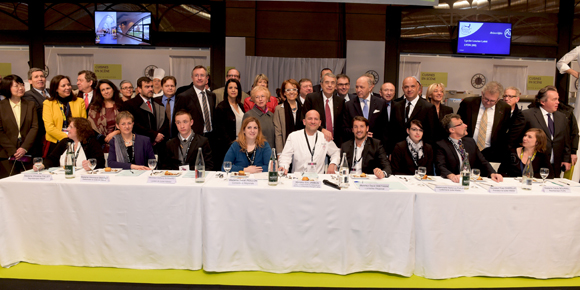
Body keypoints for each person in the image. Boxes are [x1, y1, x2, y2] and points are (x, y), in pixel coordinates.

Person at [510, 85, 572, 176]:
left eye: (558, 99)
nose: (558, 102)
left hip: (555, 165)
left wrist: (566, 159)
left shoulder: (562, 117)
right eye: (554, 99)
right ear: (542, 101)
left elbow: (566, 139)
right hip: (533, 165)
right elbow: (514, 139)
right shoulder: (527, 115)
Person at [436, 113, 503, 182]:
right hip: (454, 182)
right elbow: (440, 166)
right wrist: (451, 175)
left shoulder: (470, 142)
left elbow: (483, 161)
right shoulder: (442, 145)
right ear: (452, 130)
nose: (465, 125)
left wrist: (493, 173)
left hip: (472, 180)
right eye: (460, 124)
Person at [457, 81, 511, 162]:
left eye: (492, 101)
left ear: (499, 99)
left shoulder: (505, 108)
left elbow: (503, 131)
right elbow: (458, 125)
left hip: (492, 152)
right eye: (486, 99)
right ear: (482, 93)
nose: (488, 102)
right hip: (467, 149)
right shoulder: (468, 103)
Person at [278, 110, 340, 174]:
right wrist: (283, 167)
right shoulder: (293, 136)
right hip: (298, 178)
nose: (313, 122)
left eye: (316, 119)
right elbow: (285, 156)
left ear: (319, 123)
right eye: (310, 119)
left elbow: (336, 152)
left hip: (319, 178)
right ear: (304, 122)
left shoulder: (324, 137)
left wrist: (333, 164)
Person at [0, 75, 39, 177]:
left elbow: (34, 127)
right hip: (6, 154)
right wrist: (13, 151)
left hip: (28, 152)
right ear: (7, 87)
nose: (21, 88)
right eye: (16, 86)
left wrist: (24, 148)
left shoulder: (30, 105)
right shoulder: (1, 106)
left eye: (22, 85)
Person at [120, 76, 169, 153]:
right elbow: (134, 125)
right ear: (139, 89)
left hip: (159, 145)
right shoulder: (129, 105)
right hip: (139, 145)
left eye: (151, 86)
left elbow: (165, 123)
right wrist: (153, 136)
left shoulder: (158, 103)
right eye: (147, 87)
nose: (150, 89)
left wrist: (159, 137)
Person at [36, 117, 105, 171]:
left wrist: (90, 165)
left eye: (71, 127)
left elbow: (100, 162)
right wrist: (42, 165)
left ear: (80, 129)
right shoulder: (65, 142)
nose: (67, 129)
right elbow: (52, 158)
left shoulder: (92, 142)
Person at [391, 76, 441, 149]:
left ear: (418, 87)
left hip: (421, 151)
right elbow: (392, 131)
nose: (409, 89)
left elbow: (433, 133)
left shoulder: (428, 107)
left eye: (412, 86)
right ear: (402, 89)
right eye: (406, 87)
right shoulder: (396, 106)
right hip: (400, 151)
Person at [43, 75, 87, 156]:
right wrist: (67, 137)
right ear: (56, 88)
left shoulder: (79, 102)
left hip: (76, 142)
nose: (67, 87)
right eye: (63, 86)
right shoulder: (48, 103)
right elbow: (49, 128)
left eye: (69, 85)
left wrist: (74, 138)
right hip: (56, 143)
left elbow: (83, 124)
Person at [173, 65, 216, 140]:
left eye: (202, 75)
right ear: (192, 78)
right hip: (193, 138)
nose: (199, 78)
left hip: (211, 137)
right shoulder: (184, 96)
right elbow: (177, 119)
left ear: (206, 78)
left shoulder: (212, 96)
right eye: (196, 75)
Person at [303, 72, 345, 145]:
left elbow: (342, 125)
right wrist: (321, 129)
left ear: (335, 86)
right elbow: (305, 119)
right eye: (327, 82)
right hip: (315, 141)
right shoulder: (312, 98)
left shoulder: (340, 101)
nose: (329, 85)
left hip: (335, 142)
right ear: (321, 84)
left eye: (332, 83)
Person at [343, 75, 387, 142]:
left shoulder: (380, 103)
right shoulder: (349, 105)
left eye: (362, 87)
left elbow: (384, 128)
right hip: (355, 143)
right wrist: (361, 134)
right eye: (357, 87)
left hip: (375, 144)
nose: (358, 90)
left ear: (370, 88)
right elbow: (345, 128)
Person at [214, 78, 245, 166]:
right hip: (227, 147)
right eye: (230, 87)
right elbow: (221, 132)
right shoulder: (221, 108)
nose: (233, 90)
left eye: (236, 88)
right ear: (226, 90)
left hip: (242, 145)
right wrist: (233, 145)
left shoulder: (241, 106)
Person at [87, 79, 122, 153]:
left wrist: (116, 132)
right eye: (103, 90)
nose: (106, 92)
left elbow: (129, 124)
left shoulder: (122, 105)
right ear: (100, 93)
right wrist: (104, 139)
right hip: (99, 145)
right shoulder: (94, 107)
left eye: (108, 88)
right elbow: (91, 128)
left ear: (113, 89)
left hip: (121, 143)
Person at [273, 79, 304, 156]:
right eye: (288, 90)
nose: (291, 92)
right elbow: (278, 133)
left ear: (298, 92)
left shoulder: (303, 108)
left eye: (294, 89)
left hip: (302, 149)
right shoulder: (279, 109)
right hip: (285, 149)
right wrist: (279, 153)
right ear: (284, 93)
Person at [22, 68, 49, 153]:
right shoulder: (28, 95)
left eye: (42, 76)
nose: (40, 79)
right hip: (41, 136)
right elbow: (40, 113)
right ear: (30, 81)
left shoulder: (52, 92)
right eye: (36, 77)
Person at [243, 86, 276, 151]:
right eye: (257, 97)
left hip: (271, 154)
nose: (260, 99)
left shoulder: (272, 115)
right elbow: (244, 138)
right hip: (256, 154)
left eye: (263, 96)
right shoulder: (249, 115)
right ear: (253, 100)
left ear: (267, 98)